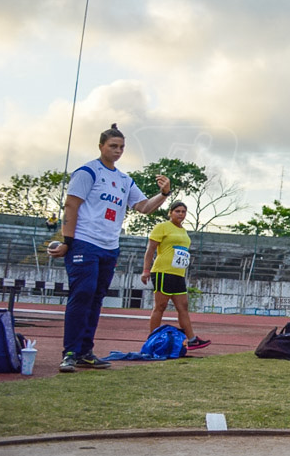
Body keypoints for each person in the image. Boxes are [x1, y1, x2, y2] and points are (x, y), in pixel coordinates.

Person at [48, 124, 172, 372]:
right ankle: (70, 352)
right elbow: (71, 206)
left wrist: (164, 194)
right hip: (84, 242)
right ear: (101, 146)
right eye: (113, 146)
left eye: (122, 147)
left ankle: (85, 352)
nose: (118, 151)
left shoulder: (124, 180)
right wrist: (67, 242)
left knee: (95, 298)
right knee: (82, 294)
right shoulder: (87, 172)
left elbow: (144, 207)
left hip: (109, 247)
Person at [140, 201, 211, 350]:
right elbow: (151, 249)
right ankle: (153, 339)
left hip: (178, 273)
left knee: (183, 306)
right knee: (160, 306)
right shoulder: (162, 227)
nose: (180, 214)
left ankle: (191, 339)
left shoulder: (184, 231)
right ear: (170, 212)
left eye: (183, 211)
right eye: (177, 211)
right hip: (162, 271)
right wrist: (146, 270)